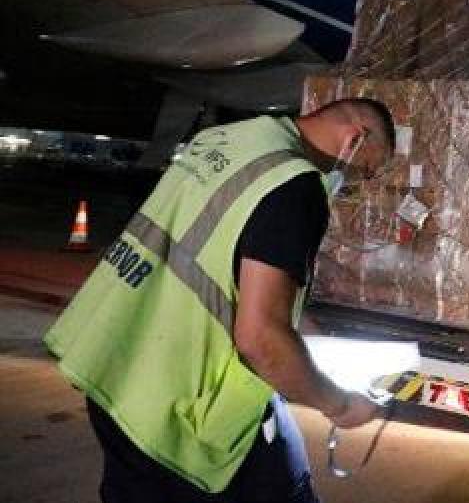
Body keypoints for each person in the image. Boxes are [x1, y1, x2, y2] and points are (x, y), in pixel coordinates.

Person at [44, 98, 396, 501]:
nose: (355, 183)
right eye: (365, 170)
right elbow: (260, 340)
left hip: (115, 369)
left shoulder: (228, 140)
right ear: (356, 137)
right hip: (181, 407)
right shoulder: (295, 185)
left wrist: (307, 334)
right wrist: (339, 405)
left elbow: (211, 261)